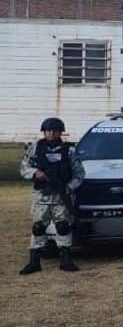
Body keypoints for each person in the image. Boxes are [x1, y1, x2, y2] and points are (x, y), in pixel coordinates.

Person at [19, 117, 84, 275]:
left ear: (61, 132)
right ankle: (34, 261)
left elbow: (79, 174)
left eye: (55, 131)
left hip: (62, 196)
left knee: (63, 227)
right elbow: (24, 167)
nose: (52, 133)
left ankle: (65, 260)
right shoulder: (36, 148)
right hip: (42, 196)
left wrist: (68, 188)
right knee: (38, 227)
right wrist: (35, 173)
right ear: (44, 132)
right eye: (48, 131)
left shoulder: (69, 151)